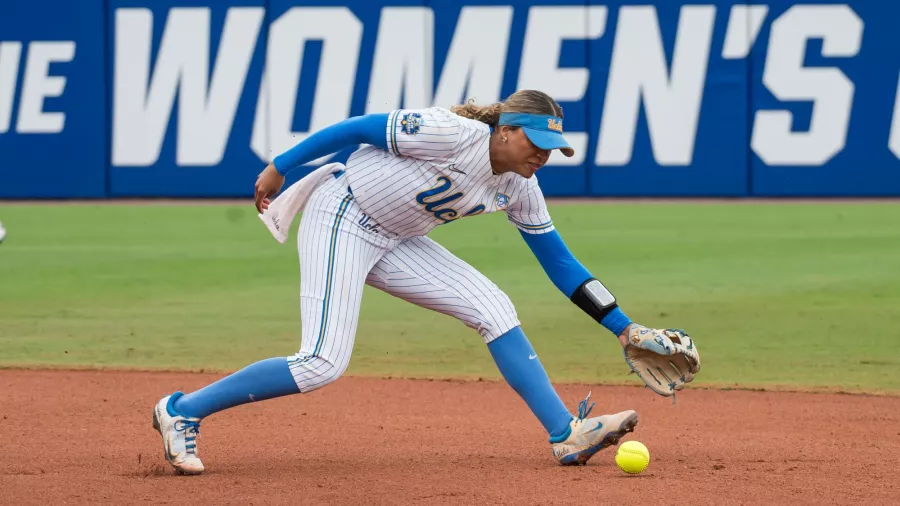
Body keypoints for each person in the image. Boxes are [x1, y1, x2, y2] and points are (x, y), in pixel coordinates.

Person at [152, 89, 700, 475]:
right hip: (344, 214)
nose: (541, 154)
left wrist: (623, 328)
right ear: (503, 130)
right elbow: (358, 128)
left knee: (493, 306)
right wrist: (281, 164)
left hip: (396, 237)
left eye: (551, 148)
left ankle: (565, 434)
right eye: (532, 140)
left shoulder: (522, 185)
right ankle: (181, 411)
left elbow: (560, 262)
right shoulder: (453, 133)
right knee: (321, 362)